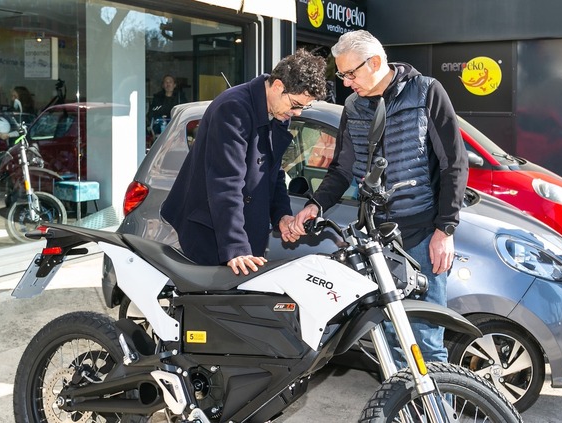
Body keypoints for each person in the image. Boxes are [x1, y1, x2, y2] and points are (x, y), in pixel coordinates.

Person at [291, 30, 468, 364]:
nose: (346, 83)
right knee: (390, 339)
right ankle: (402, 398)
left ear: (374, 62)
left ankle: (438, 398)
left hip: (423, 236)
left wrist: (445, 229)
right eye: (341, 75)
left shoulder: (426, 92)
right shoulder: (353, 107)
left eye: (350, 74)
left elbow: (454, 164)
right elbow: (342, 169)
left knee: (428, 340)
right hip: (377, 241)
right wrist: (316, 204)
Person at [161, 49, 327, 276]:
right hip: (211, 231)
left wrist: (281, 215)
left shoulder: (279, 111)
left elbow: (273, 171)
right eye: (296, 104)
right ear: (278, 86)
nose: (297, 113)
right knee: (211, 298)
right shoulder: (233, 108)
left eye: (303, 107)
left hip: (245, 230)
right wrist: (236, 246)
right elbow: (226, 180)